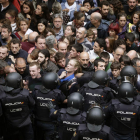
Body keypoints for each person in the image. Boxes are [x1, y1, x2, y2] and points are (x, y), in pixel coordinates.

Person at [0, 72, 34, 140]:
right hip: (26, 125)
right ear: (18, 83)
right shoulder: (25, 93)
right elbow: (32, 104)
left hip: (10, 125)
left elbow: (1, 113)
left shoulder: (2, 96)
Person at [32, 72, 66, 140]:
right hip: (51, 123)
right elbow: (64, 101)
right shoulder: (57, 93)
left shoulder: (36, 90)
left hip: (38, 121)